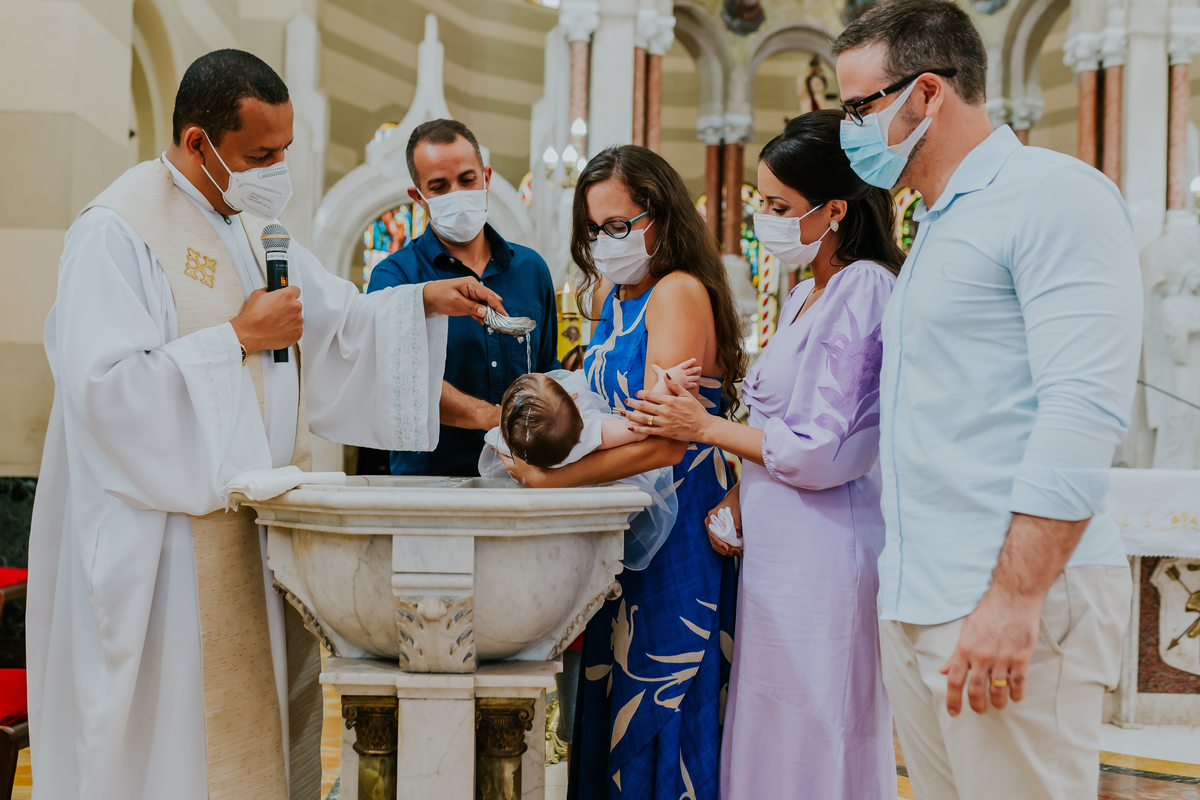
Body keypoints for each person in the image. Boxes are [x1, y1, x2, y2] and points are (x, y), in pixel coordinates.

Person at [26, 50, 503, 800]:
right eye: (260, 155)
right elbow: (105, 393)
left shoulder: (249, 228)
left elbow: (339, 323)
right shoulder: (116, 234)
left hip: (249, 534)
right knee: (172, 750)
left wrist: (422, 302)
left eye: (285, 150)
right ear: (198, 143)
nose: (277, 170)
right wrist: (237, 340)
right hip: (161, 551)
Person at [831, 2, 1142, 798]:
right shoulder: (939, 222)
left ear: (927, 93)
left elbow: (1082, 409)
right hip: (922, 597)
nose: (848, 130)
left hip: (1009, 593)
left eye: (858, 108)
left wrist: (1015, 597)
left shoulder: (1053, 196)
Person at [625, 110, 901, 799]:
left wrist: (701, 426)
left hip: (824, 551)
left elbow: (821, 450)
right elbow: (780, 423)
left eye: (780, 207)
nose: (764, 220)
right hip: (780, 549)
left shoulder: (865, 286)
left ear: (834, 210)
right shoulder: (808, 290)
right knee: (769, 722)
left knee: (815, 726)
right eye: (762, 204)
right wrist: (739, 495)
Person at [504, 145, 745, 800]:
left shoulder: (677, 292)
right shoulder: (614, 295)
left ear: (661, 216)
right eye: (595, 229)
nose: (605, 242)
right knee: (613, 689)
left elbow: (667, 444)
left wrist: (550, 481)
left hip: (680, 523)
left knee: (659, 693)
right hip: (626, 523)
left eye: (618, 225)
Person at [368, 119, 559, 477]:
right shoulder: (395, 279)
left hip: (525, 476)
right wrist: (491, 416)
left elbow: (547, 367)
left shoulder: (532, 269)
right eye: (439, 187)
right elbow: (400, 382)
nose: (456, 193)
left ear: (486, 178)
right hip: (430, 482)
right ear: (418, 197)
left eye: (467, 180)